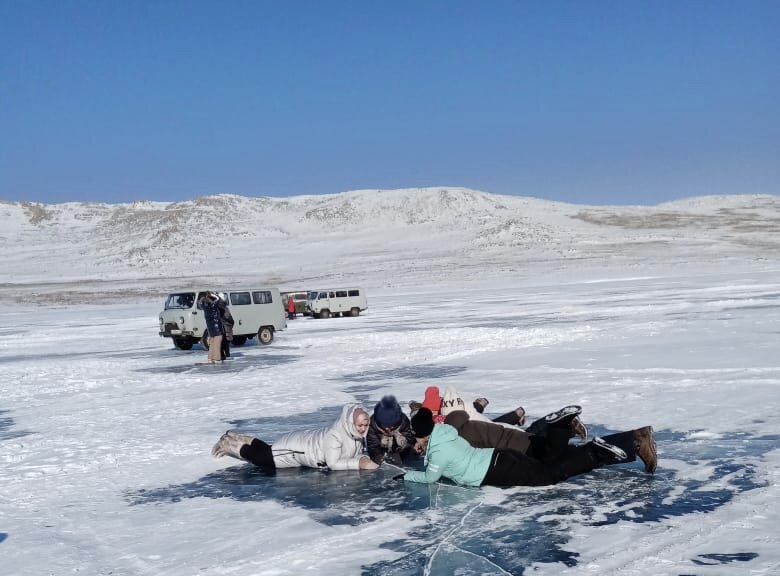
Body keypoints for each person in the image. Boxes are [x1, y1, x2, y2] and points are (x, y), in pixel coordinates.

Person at [398, 407, 656, 488]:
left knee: (549, 472)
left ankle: (591, 448)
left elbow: (431, 476)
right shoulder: (447, 432)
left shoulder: (443, 442)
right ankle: (631, 441)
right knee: (558, 460)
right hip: (503, 453)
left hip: (505, 459)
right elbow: (453, 418)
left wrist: (406, 474)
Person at [211, 404, 380, 471]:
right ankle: (230, 445)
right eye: (360, 425)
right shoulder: (335, 435)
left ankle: (240, 438)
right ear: (351, 422)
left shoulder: (354, 434)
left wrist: (362, 457)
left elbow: (351, 452)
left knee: (269, 451)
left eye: (365, 425)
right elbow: (333, 463)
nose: (363, 429)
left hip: (301, 445)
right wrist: (359, 463)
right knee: (265, 459)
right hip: (296, 449)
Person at [366, 395, 416, 465]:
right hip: (382, 454)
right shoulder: (372, 425)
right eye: (385, 425)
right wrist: (382, 455)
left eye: (392, 426)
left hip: (401, 454)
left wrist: (401, 445)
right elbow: (373, 448)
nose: (388, 429)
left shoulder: (404, 421)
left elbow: (411, 441)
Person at [199, 292, 224, 364]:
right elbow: (219, 299)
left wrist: (204, 298)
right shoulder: (213, 305)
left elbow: (200, 303)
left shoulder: (204, 306)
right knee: (217, 344)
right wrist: (213, 294)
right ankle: (217, 359)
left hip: (210, 329)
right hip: (217, 328)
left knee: (212, 344)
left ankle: (210, 358)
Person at [216, 294, 234, 360]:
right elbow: (228, 317)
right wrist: (232, 322)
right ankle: (227, 355)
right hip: (226, 325)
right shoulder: (224, 307)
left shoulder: (216, 306)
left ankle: (222, 355)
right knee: (226, 341)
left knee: (221, 341)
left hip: (219, 327)